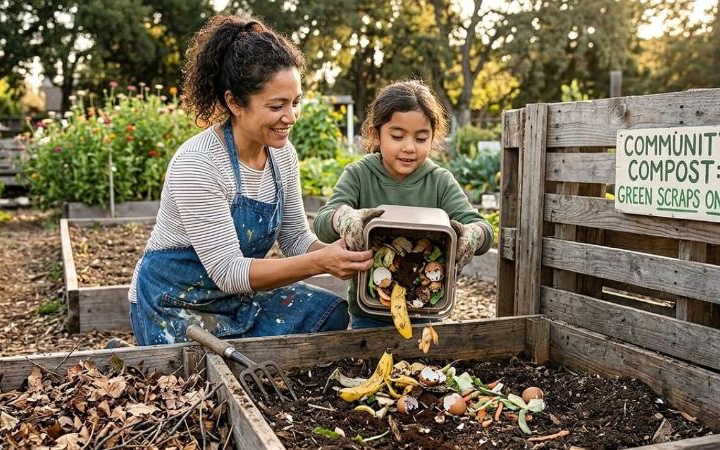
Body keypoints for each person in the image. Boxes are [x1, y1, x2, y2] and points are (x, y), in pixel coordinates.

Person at [128, 15, 374, 346]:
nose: (291, 117)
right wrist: (320, 262)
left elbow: (294, 238)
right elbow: (229, 272)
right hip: (174, 303)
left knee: (329, 314)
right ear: (234, 102)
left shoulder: (282, 156)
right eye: (276, 106)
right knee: (208, 370)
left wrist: (341, 253)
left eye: (296, 102)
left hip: (238, 299)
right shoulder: (199, 163)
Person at [313, 80, 494, 329]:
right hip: (369, 315)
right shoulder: (359, 175)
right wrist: (342, 218)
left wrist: (473, 234)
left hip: (426, 311)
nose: (409, 147)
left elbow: (482, 228)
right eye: (397, 136)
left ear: (433, 137)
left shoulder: (439, 181)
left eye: (421, 138)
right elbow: (323, 223)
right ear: (376, 134)